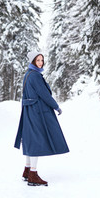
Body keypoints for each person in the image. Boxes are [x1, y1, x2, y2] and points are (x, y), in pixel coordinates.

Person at [14, 51, 69, 186]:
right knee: (36, 142)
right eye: (38, 60)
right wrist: (56, 106)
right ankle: (33, 175)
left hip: (30, 111)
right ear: (32, 61)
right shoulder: (35, 76)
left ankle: (27, 171)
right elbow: (44, 94)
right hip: (36, 112)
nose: (40, 62)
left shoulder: (28, 74)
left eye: (42, 60)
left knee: (31, 140)